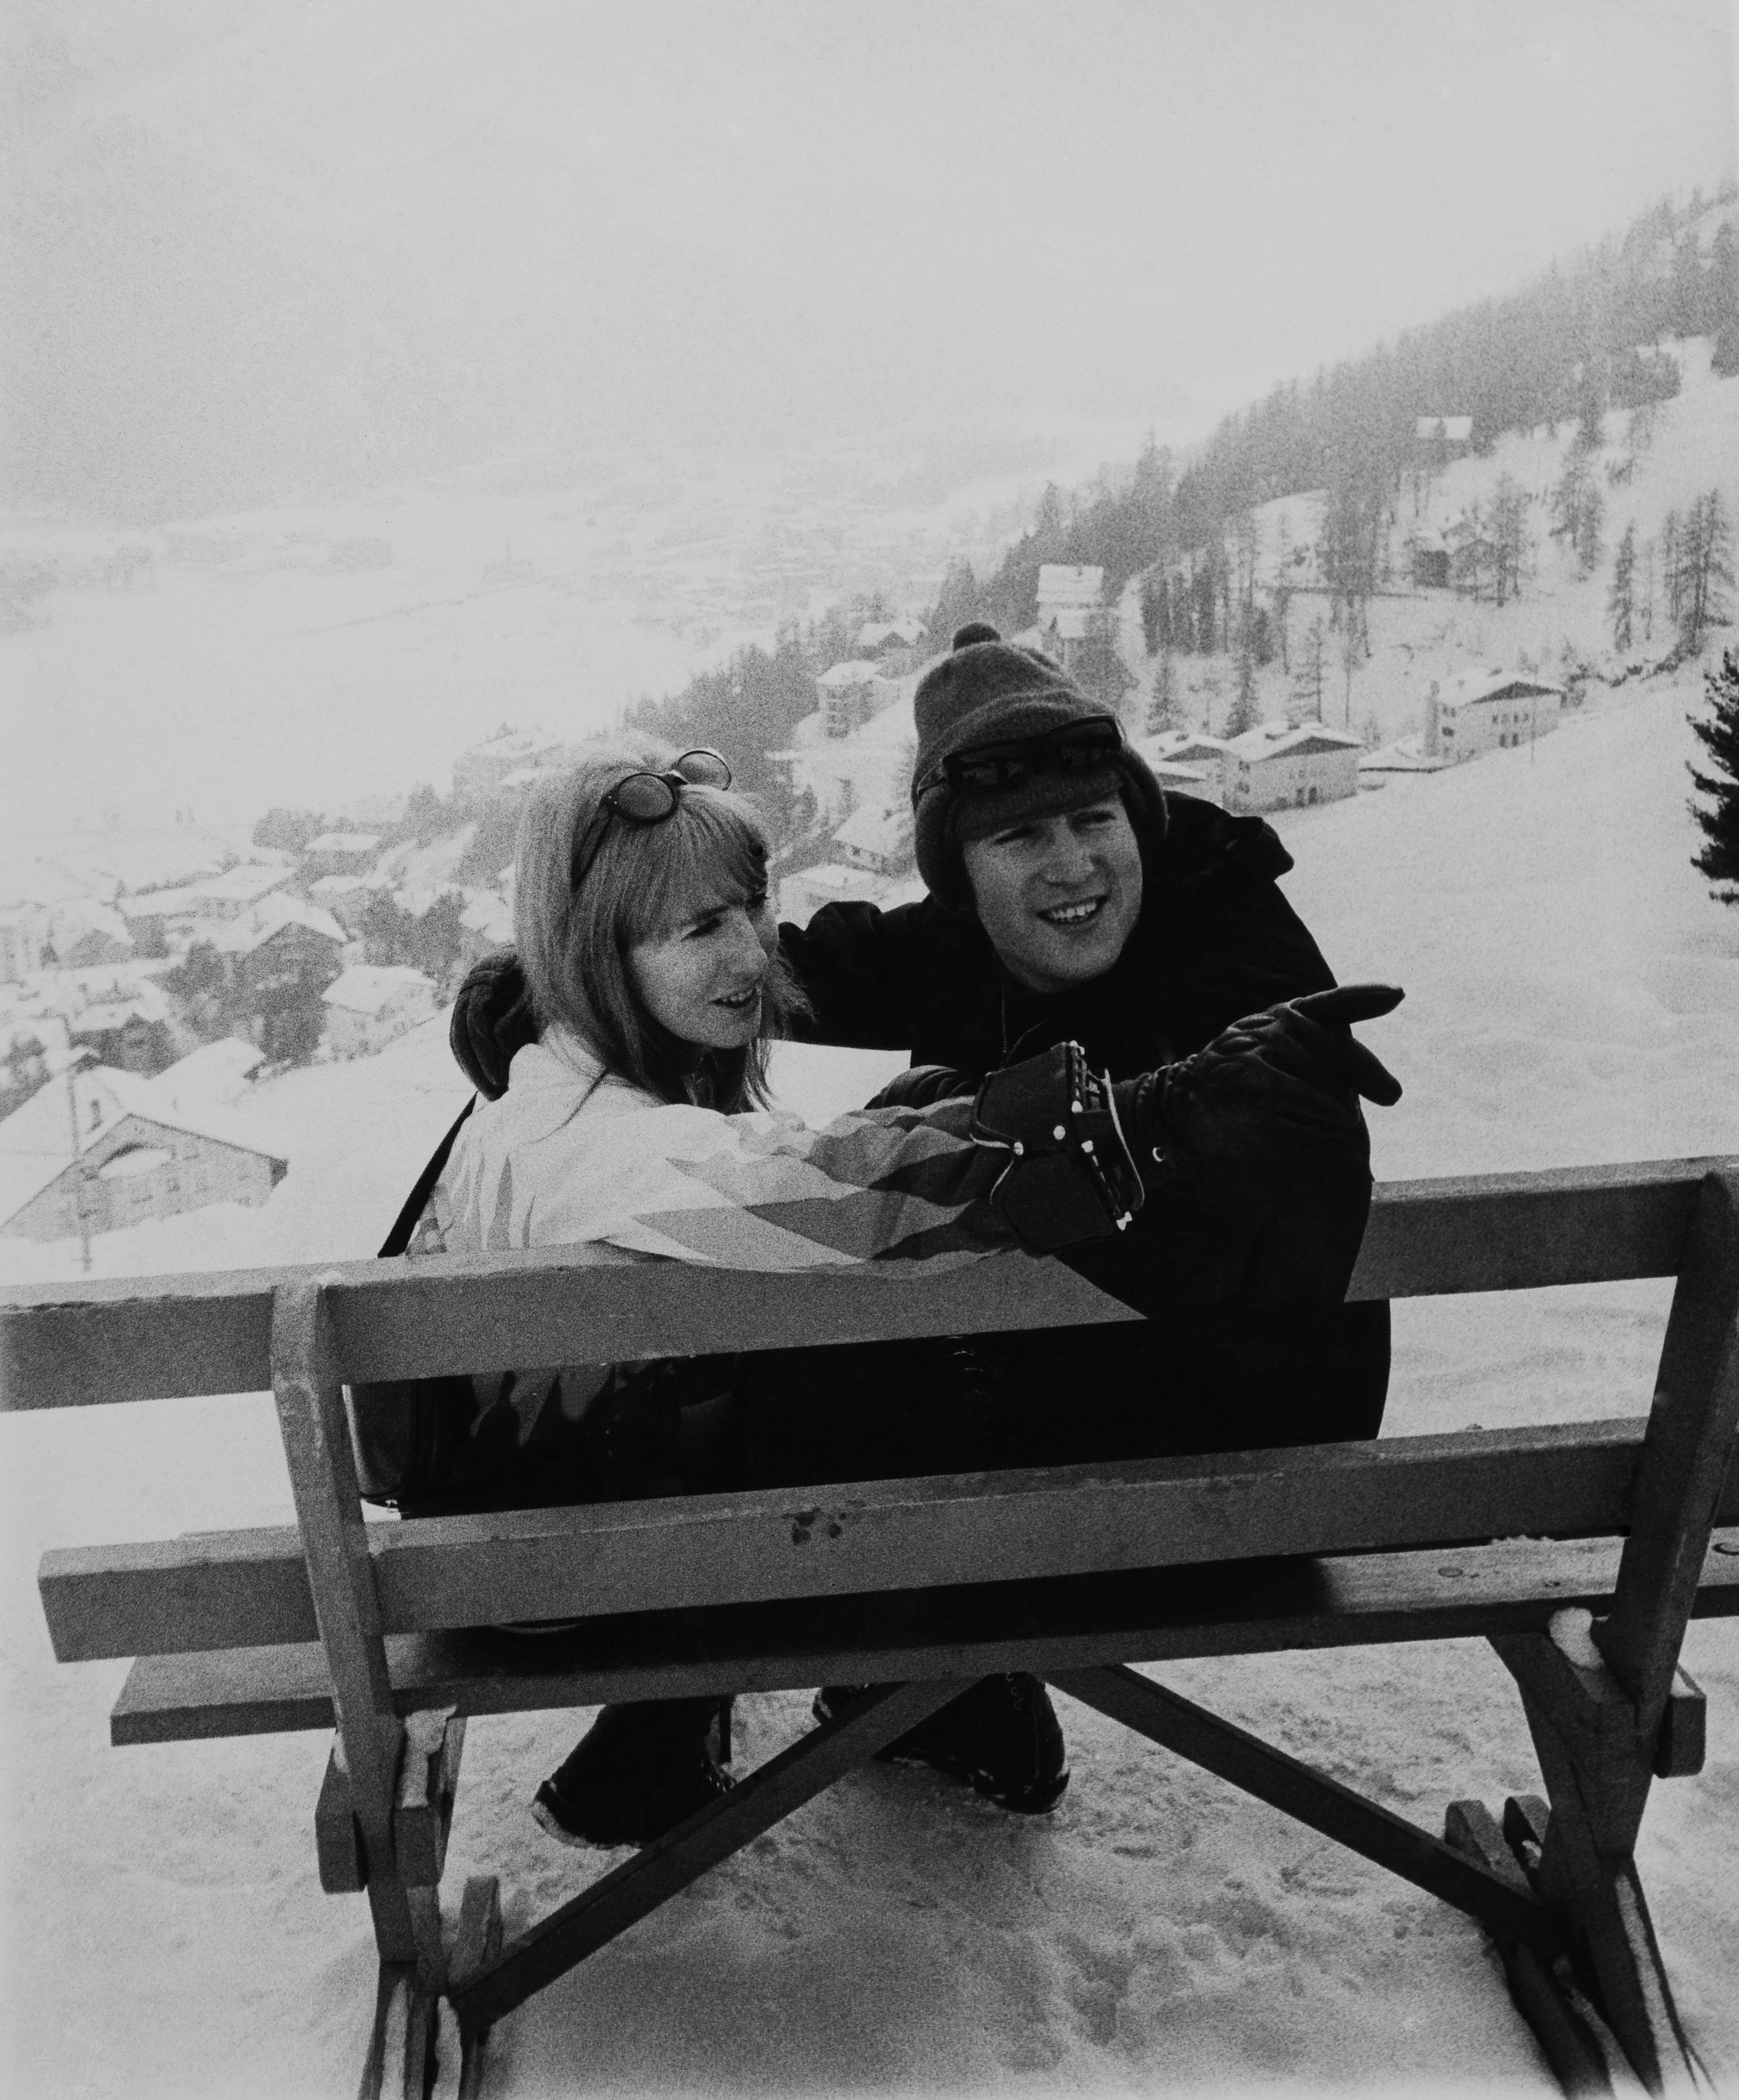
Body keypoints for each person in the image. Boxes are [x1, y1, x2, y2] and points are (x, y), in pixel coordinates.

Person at [443, 653, 1403, 1842]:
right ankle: (926, 1706)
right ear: (960, 873)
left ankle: (806, 1713)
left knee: (841, 1336)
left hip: (1211, 1488)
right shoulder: (949, 956)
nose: (1069, 866)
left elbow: (1251, 1228)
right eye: (1016, 840)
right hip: (905, 1500)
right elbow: (796, 994)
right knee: (846, 1275)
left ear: (1140, 818)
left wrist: (1118, 1124)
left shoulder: (1243, 975)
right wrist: (550, 987)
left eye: (1094, 819)